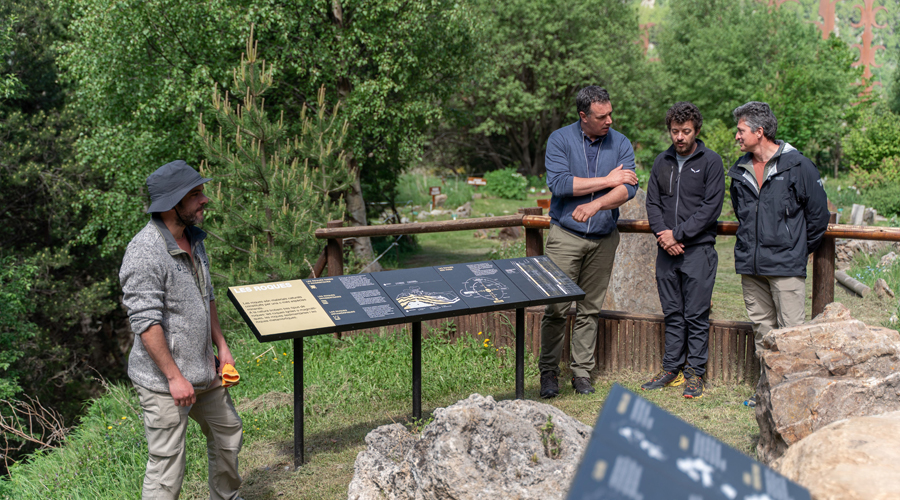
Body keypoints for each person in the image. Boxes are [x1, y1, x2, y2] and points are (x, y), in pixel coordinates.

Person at [120, 160, 243, 499]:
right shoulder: (144, 251)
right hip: (164, 381)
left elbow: (207, 295)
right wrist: (174, 378)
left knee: (228, 435)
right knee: (167, 468)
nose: (205, 199)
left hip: (205, 371)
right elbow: (146, 322)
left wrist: (221, 346)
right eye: (195, 194)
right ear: (172, 204)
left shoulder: (194, 239)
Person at [727, 102, 829, 406]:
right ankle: (767, 392)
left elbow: (818, 216)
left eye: (741, 130)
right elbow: (743, 214)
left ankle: (794, 398)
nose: (736, 136)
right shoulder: (740, 170)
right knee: (763, 333)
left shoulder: (798, 166)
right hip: (752, 266)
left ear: (759, 132)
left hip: (786, 267)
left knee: (792, 334)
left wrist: (797, 249)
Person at [539, 86, 638, 398]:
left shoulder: (620, 142)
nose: (609, 120)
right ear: (583, 116)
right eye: (601, 116)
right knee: (556, 308)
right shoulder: (559, 139)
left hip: (603, 239)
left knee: (589, 310)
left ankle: (581, 373)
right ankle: (549, 372)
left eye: (610, 114)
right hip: (565, 237)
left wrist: (596, 204)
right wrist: (609, 180)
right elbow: (560, 184)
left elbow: (628, 188)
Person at [642, 102, 724, 399]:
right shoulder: (661, 161)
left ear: (696, 130)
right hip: (666, 251)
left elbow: (710, 208)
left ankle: (695, 373)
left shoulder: (711, 162)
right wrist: (664, 237)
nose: (679, 137)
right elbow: (652, 203)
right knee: (673, 313)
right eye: (675, 131)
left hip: (698, 251)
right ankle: (670, 368)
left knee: (696, 315)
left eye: (686, 131)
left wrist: (677, 234)